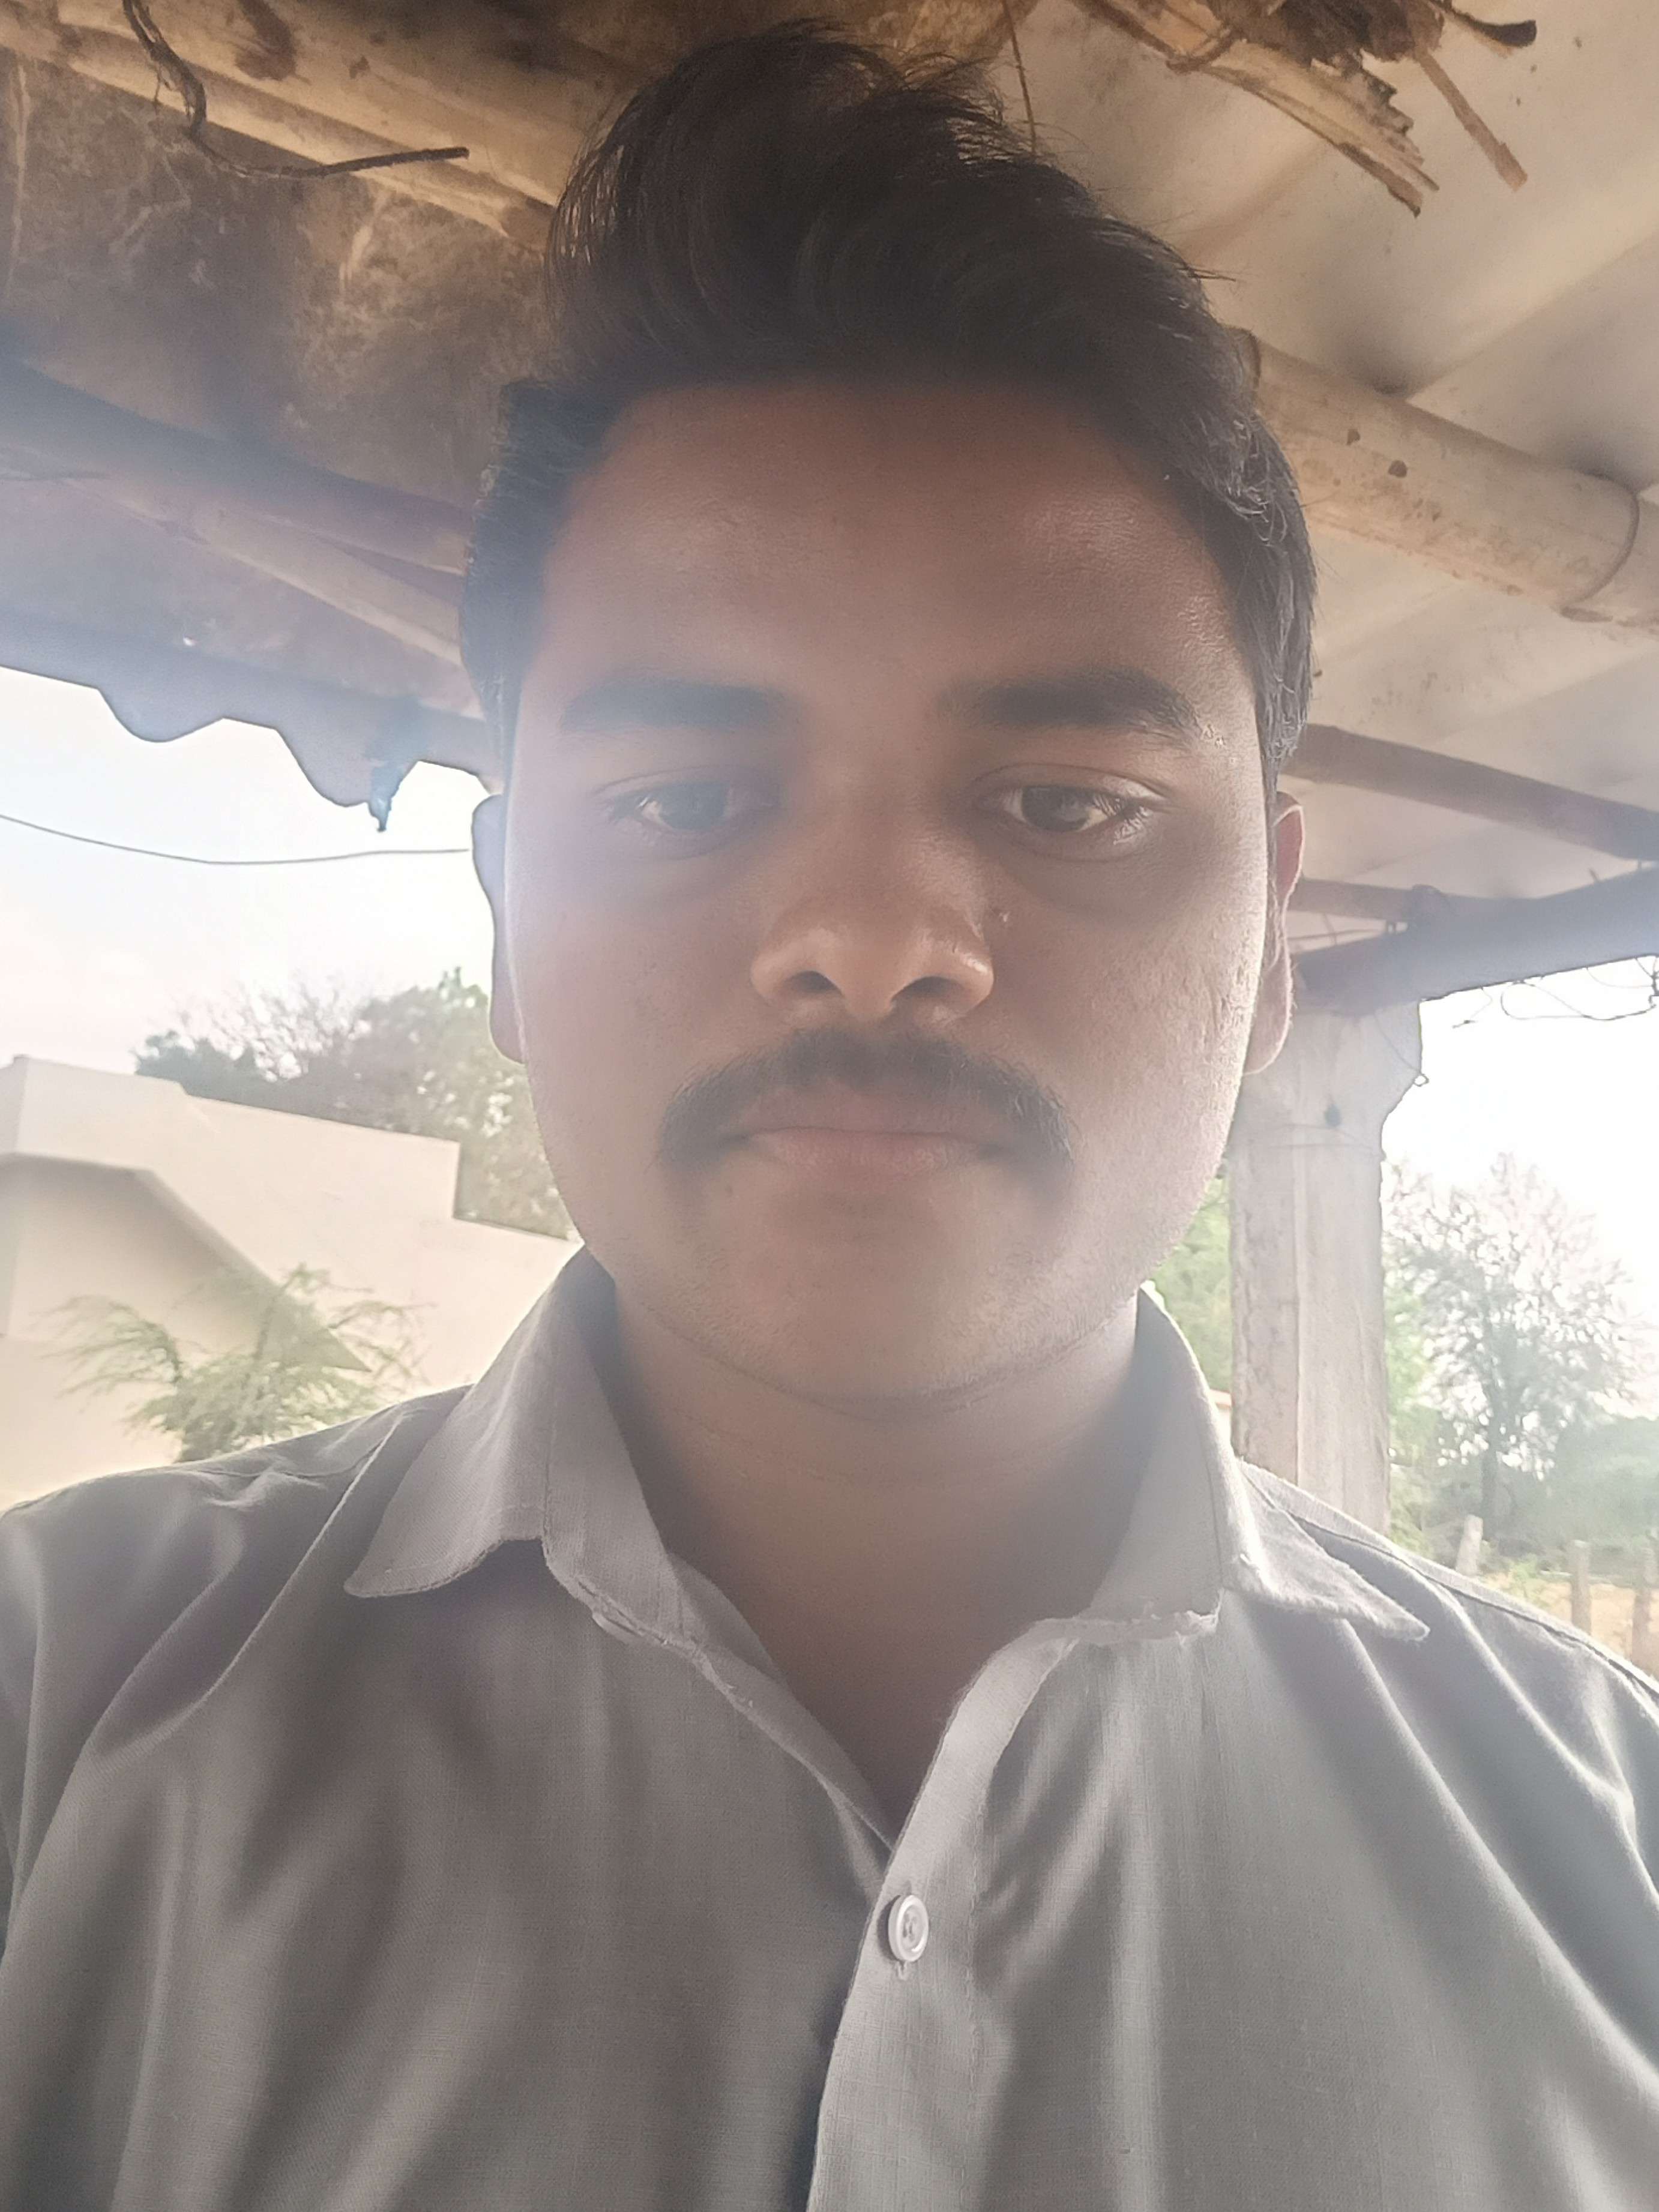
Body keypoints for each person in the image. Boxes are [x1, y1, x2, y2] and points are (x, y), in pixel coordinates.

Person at [1, 25, 1654, 2209]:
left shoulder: (1609, 1849)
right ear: (506, 925)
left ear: (1271, 938)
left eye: (1065, 803)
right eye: (683, 799)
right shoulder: (53, 1725)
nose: (873, 943)